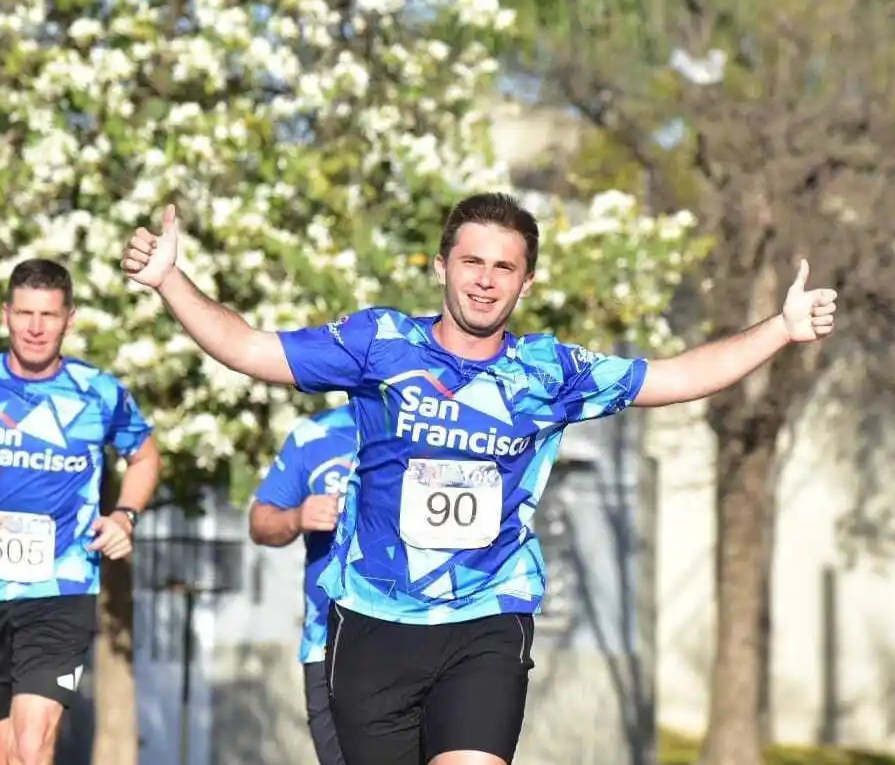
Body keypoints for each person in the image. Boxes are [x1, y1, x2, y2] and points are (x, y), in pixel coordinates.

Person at [121, 193, 837, 765]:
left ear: (526, 280)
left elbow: (677, 376)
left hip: (486, 616)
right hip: (372, 620)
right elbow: (247, 348)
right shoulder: (378, 344)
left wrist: (780, 327)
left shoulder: (548, 372)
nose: (485, 279)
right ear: (442, 266)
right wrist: (170, 282)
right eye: (472, 262)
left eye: (504, 267)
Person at [0, 259, 162, 765]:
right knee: (4, 751)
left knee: (33, 742)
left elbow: (145, 456)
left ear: (70, 317)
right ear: (6, 315)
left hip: (62, 586)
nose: (36, 327)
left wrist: (125, 515)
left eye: (48, 314)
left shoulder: (100, 393)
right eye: (25, 313)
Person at [249, 405, 356, 765]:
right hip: (327, 642)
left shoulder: (441, 428)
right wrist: (297, 516)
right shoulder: (315, 435)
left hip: (422, 635)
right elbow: (261, 521)